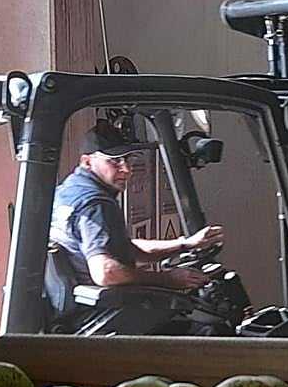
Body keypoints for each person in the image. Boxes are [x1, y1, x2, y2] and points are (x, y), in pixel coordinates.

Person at [49, 120, 225, 295]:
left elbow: (125, 249)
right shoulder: (96, 205)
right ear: (87, 162)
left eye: (127, 159)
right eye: (115, 161)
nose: (126, 169)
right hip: (105, 307)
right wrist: (169, 279)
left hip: (75, 302)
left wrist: (185, 244)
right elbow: (106, 273)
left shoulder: (66, 192)